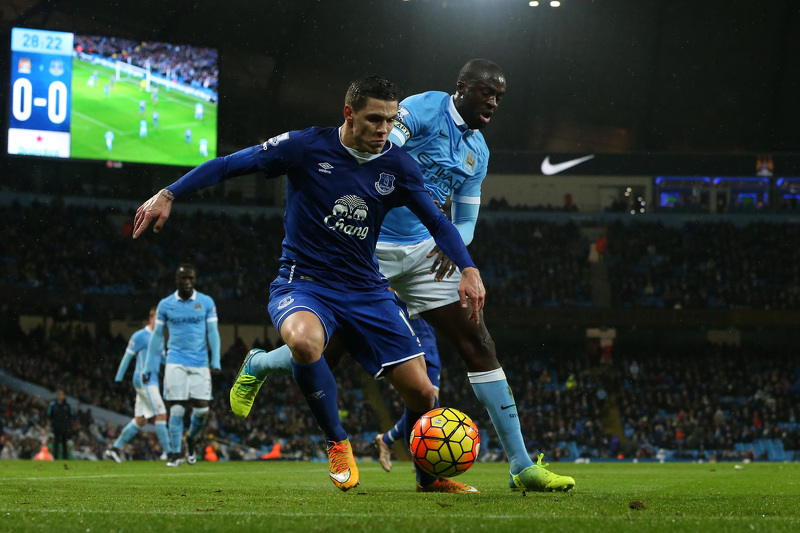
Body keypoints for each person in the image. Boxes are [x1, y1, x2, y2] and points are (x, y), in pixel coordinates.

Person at [231, 59, 575, 492]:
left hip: (424, 254)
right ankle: (261, 363)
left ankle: (521, 465)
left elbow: (465, 217)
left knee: (478, 341)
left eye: (499, 97)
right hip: (366, 249)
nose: (492, 102)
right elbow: (381, 143)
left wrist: (452, 249)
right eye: (486, 92)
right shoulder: (422, 110)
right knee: (327, 353)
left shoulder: (479, 153)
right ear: (462, 88)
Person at [133, 75, 486, 494]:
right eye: (374, 119)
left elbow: (437, 222)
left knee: (424, 396)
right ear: (348, 114)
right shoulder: (304, 146)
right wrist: (169, 194)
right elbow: (230, 165)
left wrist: (467, 267)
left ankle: (428, 480)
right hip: (305, 283)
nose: (383, 130)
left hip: (368, 290)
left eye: (391, 121)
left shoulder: (398, 165)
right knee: (304, 343)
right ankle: (337, 442)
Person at [143, 264, 221, 467]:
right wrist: (148, 366)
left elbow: (213, 332)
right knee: (176, 409)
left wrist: (216, 359)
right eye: (183, 279)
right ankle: (175, 454)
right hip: (175, 361)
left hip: (200, 363)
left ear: (194, 280)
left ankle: (191, 439)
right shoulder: (165, 305)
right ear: (176, 281)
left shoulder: (206, 302)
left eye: (191, 279)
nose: (187, 282)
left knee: (202, 411)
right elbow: (157, 336)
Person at [104, 307, 172, 463]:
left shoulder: (160, 337)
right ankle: (169, 453)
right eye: (157, 318)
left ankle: (113, 449)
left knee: (141, 420)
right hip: (144, 379)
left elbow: (163, 359)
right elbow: (127, 358)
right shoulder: (140, 336)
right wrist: (118, 379)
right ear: (150, 319)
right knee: (161, 413)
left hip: (152, 380)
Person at [46, 390, 73, 460]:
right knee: (56, 441)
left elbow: (71, 415)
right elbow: (49, 414)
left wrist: (68, 425)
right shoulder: (53, 404)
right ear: (57, 395)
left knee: (64, 442)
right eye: (59, 394)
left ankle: (65, 456)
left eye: (62, 394)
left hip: (64, 426)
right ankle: (55, 457)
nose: (60, 396)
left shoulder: (67, 405)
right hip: (56, 426)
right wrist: (53, 423)